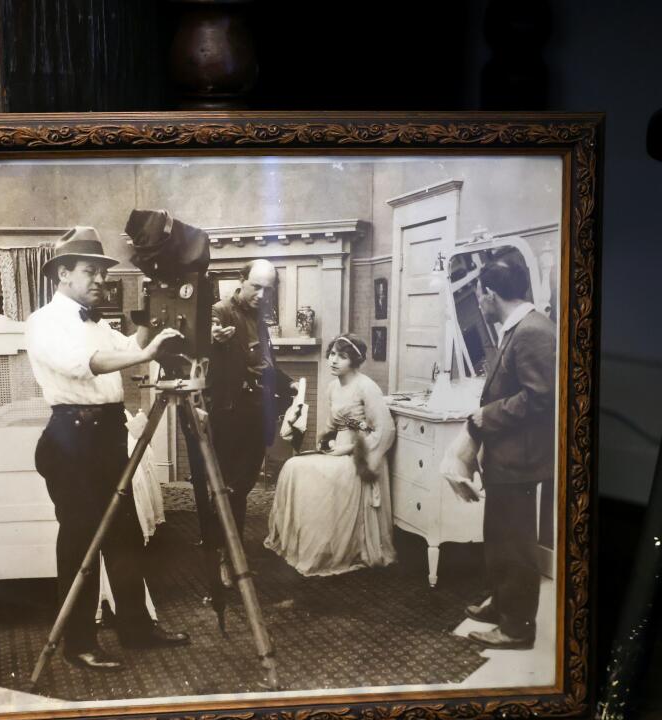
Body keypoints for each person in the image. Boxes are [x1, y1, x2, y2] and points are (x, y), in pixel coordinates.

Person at [26, 225, 190, 671]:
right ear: (63, 273)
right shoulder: (44, 322)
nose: (101, 279)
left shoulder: (97, 321)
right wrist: (146, 353)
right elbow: (89, 366)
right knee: (81, 544)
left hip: (107, 437)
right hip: (72, 440)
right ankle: (78, 642)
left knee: (125, 537)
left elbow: (128, 346)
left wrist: (159, 321)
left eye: (102, 272)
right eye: (90, 271)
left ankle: (136, 630)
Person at [461, 259, 556, 650]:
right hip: (508, 456)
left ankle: (516, 627)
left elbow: (541, 398)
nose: (478, 302)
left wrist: (487, 415)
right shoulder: (518, 327)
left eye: (478, 295)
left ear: (489, 294)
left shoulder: (533, 331)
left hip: (520, 458)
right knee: (499, 536)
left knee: (514, 543)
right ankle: (502, 603)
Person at [264, 334, 397, 576]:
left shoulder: (366, 386)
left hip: (361, 455)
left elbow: (385, 430)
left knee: (312, 473)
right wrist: (324, 440)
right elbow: (331, 426)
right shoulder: (333, 387)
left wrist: (350, 449)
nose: (334, 360)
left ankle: (330, 547)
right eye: (332, 354)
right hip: (339, 449)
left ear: (354, 360)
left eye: (342, 356)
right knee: (294, 467)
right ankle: (308, 542)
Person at [197, 259, 282, 542]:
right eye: (256, 287)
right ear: (241, 280)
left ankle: (228, 551)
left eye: (267, 290)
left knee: (242, 485)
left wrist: (290, 384)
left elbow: (263, 362)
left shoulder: (259, 317)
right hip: (230, 414)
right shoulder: (220, 311)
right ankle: (223, 555)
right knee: (229, 486)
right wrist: (214, 338)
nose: (261, 295)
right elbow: (205, 335)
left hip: (255, 412)